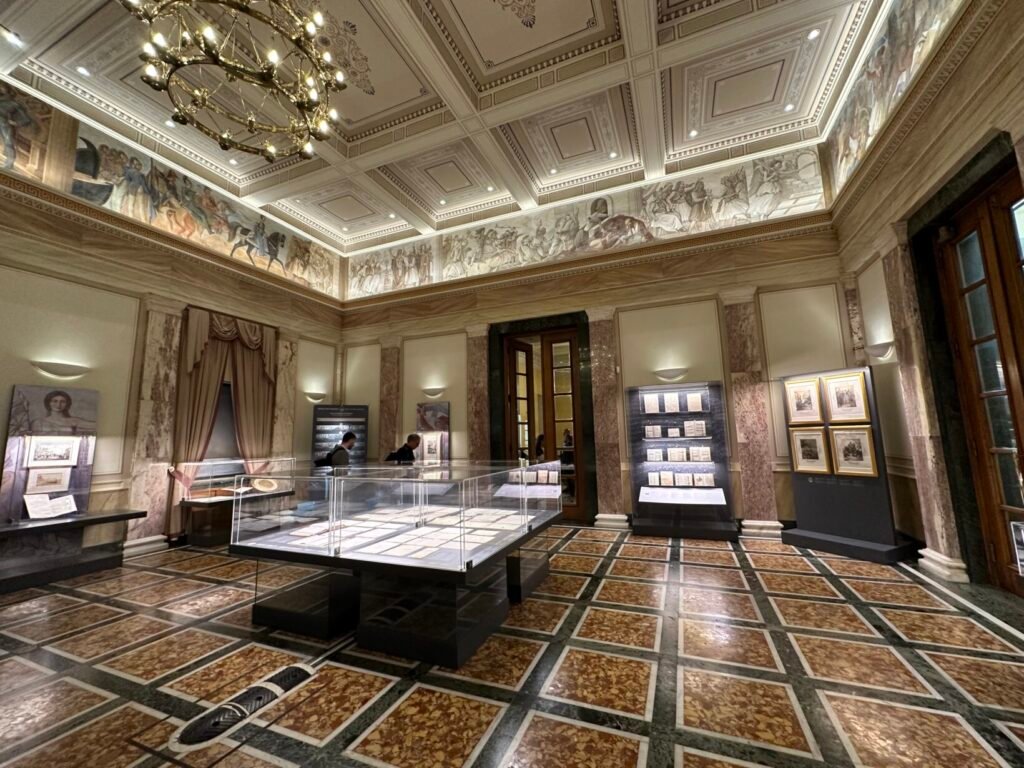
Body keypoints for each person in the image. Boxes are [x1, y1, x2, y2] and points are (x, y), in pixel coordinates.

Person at [30, 390, 96, 435]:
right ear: (48, 403)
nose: (58, 405)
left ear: (67, 404)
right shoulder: (38, 422)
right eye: (55, 401)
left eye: (62, 402)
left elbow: (97, 426)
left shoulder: (74, 421)